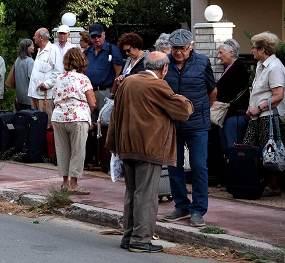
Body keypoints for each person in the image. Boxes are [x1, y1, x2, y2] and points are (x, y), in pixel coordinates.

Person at [107, 52, 193, 253]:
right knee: (146, 195)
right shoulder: (157, 85)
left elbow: (114, 115)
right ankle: (140, 239)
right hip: (149, 147)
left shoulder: (127, 82)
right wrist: (185, 98)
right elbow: (184, 111)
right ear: (164, 68)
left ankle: (128, 236)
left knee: (132, 193)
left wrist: (112, 143)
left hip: (126, 146)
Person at [161, 29, 216, 228]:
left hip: (197, 124)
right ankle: (181, 206)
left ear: (190, 47)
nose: (178, 53)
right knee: (173, 166)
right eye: (175, 49)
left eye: (182, 49)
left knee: (199, 166)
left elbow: (213, 91)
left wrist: (199, 110)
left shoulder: (202, 62)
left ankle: (198, 210)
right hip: (172, 124)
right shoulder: (164, 63)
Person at [243, 31, 285, 197]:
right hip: (258, 115)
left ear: (262, 49)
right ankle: (253, 181)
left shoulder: (275, 67)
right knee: (252, 148)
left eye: (254, 48)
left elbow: (278, 95)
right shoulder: (261, 66)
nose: (252, 51)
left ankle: (273, 185)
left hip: (268, 116)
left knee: (270, 151)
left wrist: (259, 108)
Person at [51, 48, 96, 195]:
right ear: (81, 61)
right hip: (78, 117)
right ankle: (74, 184)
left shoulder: (58, 78)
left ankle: (64, 182)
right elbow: (92, 101)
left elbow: (54, 98)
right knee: (78, 151)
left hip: (59, 117)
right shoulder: (83, 79)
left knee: (62, 150)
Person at [84, 24, 123, 124]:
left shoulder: (112, 50)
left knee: (105, 122)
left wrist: (112, 94)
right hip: (90, 91)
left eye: (98, 36)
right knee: (89, 122)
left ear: (104, 35)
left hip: (105, 91)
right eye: (93, 37)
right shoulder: (87, 52)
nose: (96, 39)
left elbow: (118, 73)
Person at [215, 39, 250, 150]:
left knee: (234, 149)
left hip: (234, 115)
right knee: (227, 148)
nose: (218, 56)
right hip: (227, 114)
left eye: (221, 52)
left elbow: (228, 92)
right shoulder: (229, 68)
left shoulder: (238, 68)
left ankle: (235, 167)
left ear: (231, 53)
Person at [27, 28, 57, 123]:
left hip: (45, 95)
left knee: (46, 122)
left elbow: (58, 72)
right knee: (35, 123)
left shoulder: (53, 50)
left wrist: (47, 84)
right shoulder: (39, 50)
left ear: (41, 37)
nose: (33, 37)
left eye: (35, 35)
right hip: (35, 93)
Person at [13, 39, 35, 110]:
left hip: (19, 96)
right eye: (32, 45)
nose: (33, 47)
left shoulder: (17, 60)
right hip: (29, 97)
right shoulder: (30, 61)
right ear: (27, 47)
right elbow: (32, 78)